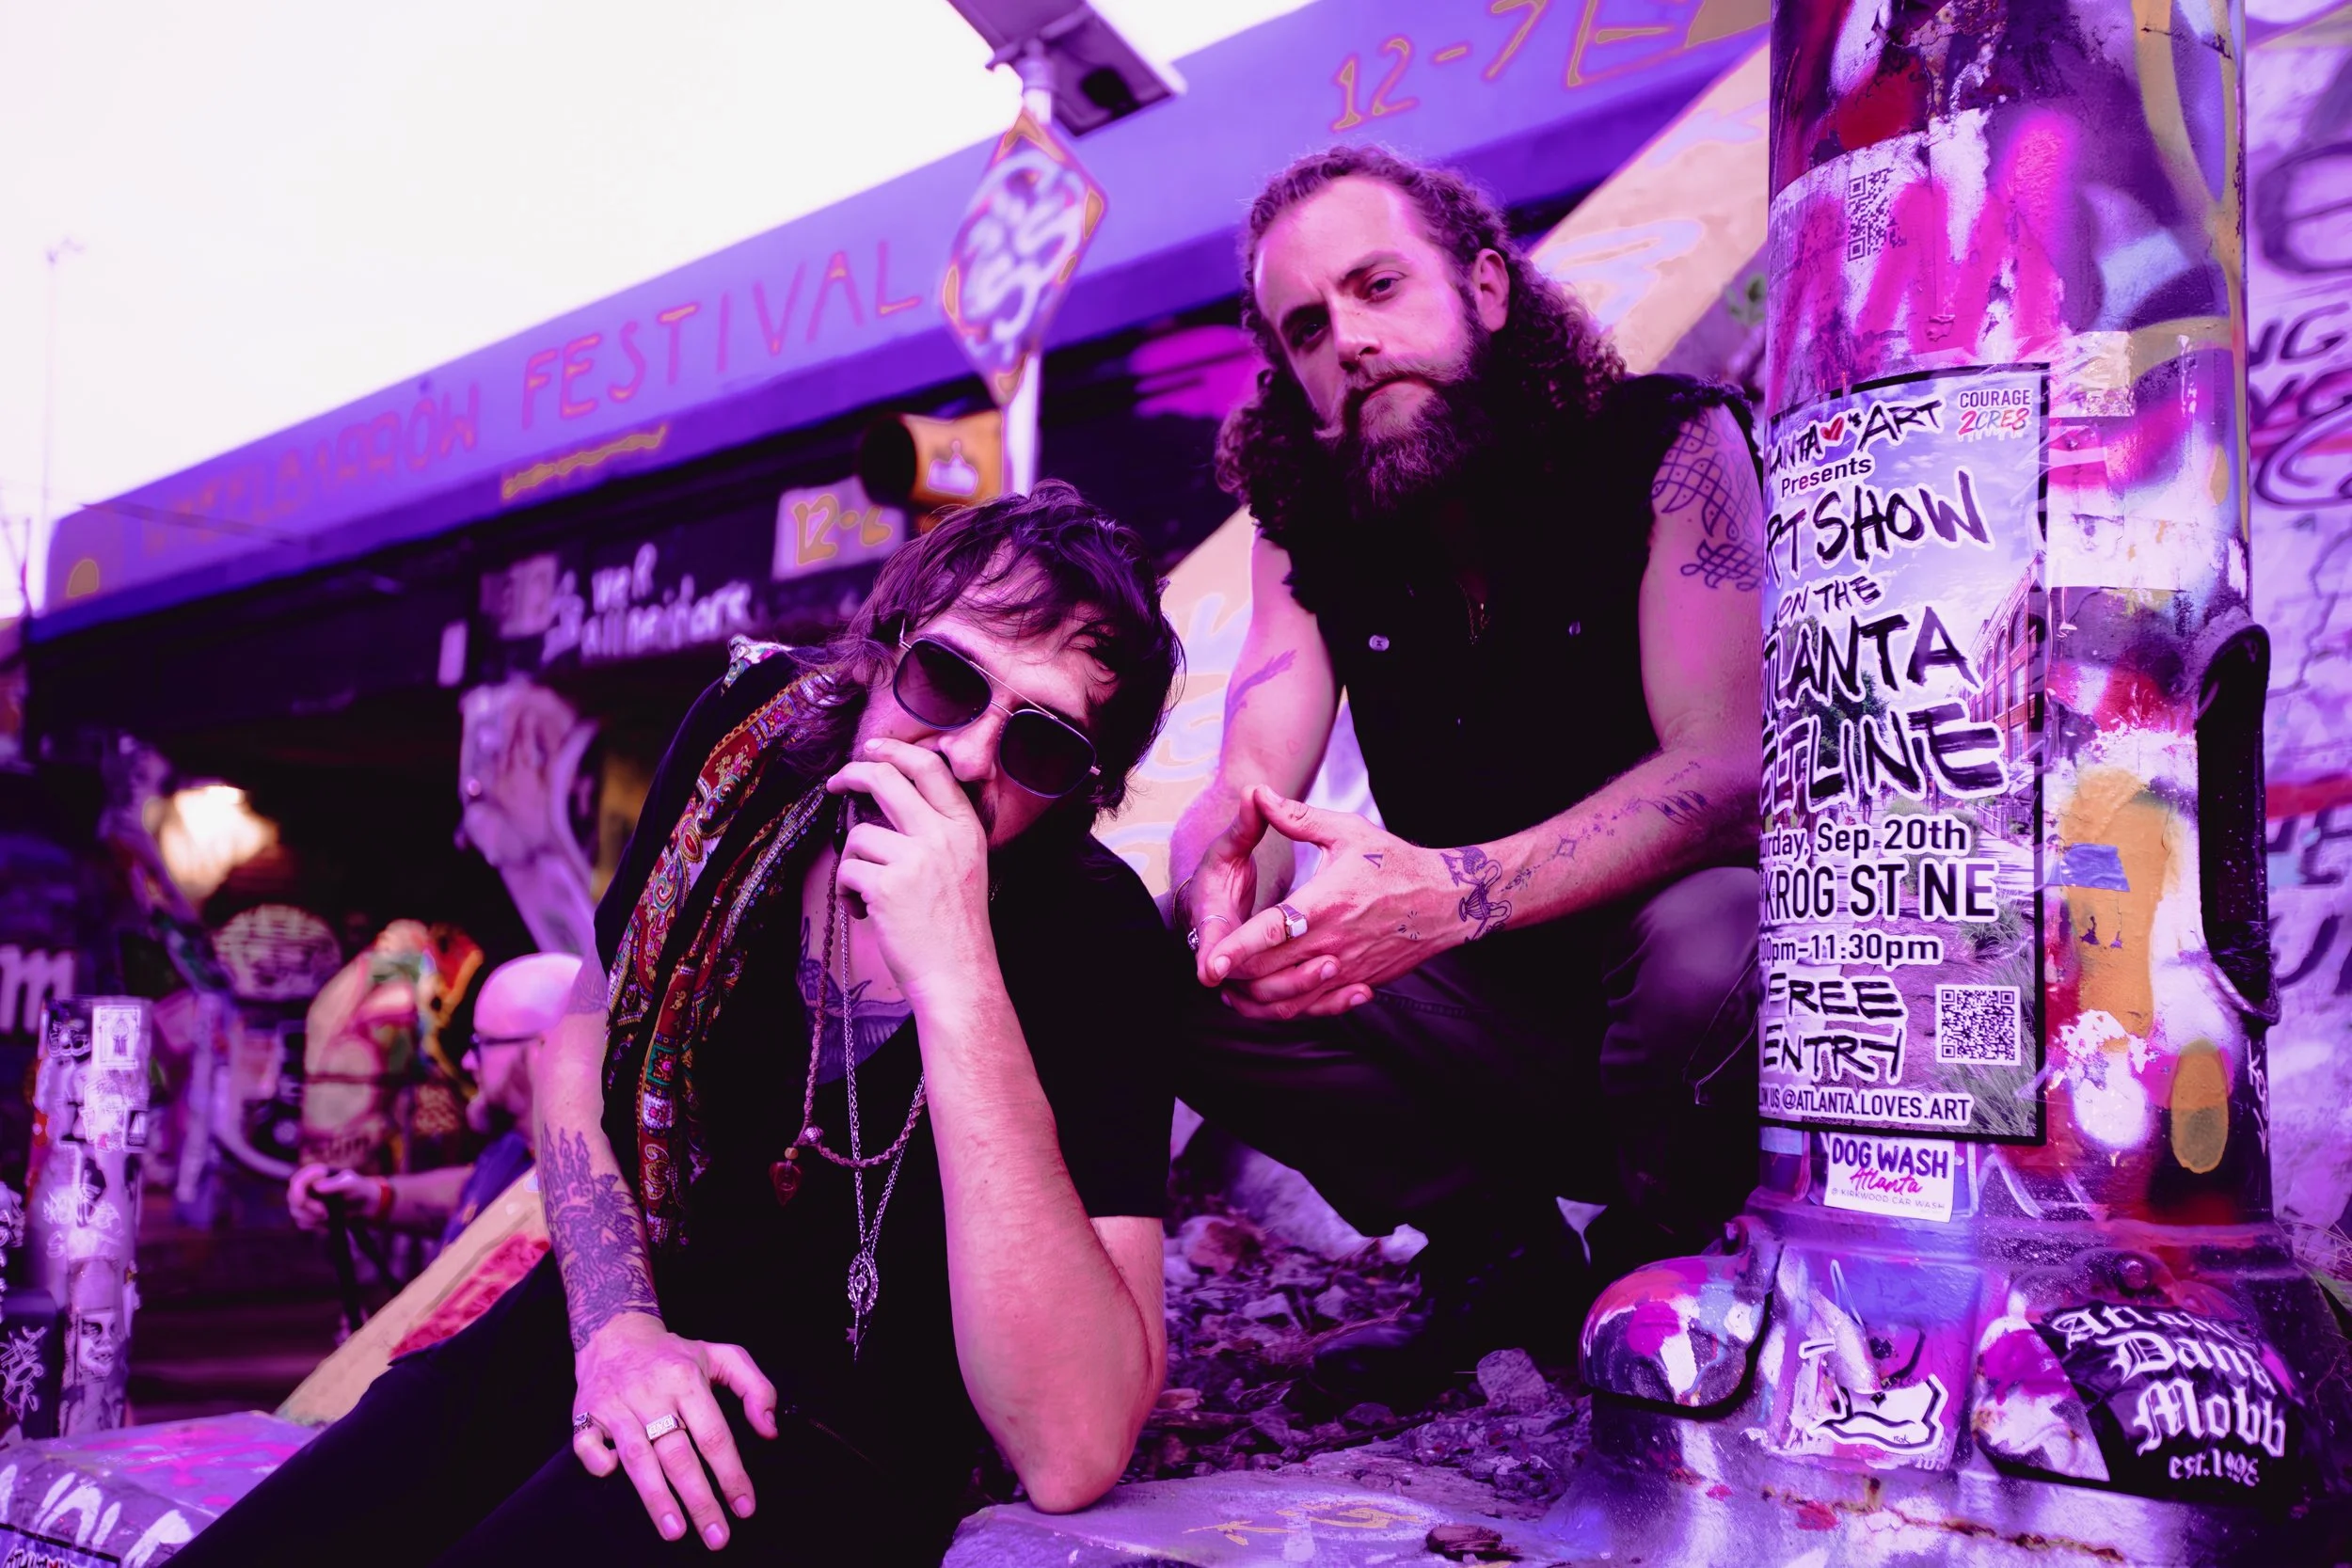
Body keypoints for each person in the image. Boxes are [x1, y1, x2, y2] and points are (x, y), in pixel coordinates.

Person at [177, 484, 1184, 1565]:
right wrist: (614, 1329)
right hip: (612, 1328)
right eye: (945, 678)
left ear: (1080, 789)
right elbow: (582, 1034)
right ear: (879, 657)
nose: (971, 755)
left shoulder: (1094, 939)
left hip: (828, 1441)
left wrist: (961, 971)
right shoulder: (743, 752)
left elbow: (1076, 1443)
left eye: (1039, 745)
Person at [1169, 146, 1766, 1401]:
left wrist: (1455, 890)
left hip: (1680, 1039)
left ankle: (1662, 1269)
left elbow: (1724, 772)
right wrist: (1223, 877)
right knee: (1172, 967)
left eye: (1381, 286)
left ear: (1486, 289)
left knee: (1713, 930)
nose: (1353, 340)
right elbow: (1258, 760)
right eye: (1309, 325)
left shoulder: (1669, 445)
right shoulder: (1311, 519)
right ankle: (1503, 1258)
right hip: (1484, 1025)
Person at [287, 951, 578, 1248]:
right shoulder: (521, 1148)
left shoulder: (583, 1196)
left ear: (546, 1049)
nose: (467, 1062)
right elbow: (478, 1188)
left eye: (483, 1043)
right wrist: (373, 1197)